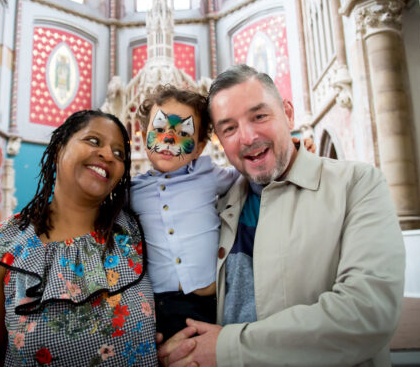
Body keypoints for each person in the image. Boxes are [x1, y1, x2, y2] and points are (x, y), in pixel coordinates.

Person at [158, 65, 406, 367]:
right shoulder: (218, 203)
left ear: (288, 113)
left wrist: (227, 348)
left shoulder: (356, 185)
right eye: (229, 128)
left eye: (259, 116)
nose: (248, 137)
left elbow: (369, 313)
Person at [0, 110, 157, 366]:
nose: (107, 155)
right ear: (59, 149)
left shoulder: (135, 232)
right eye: (94, 141)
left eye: (119, 154)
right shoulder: (0, 247)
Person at [131, 85, 240, 339]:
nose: (168, 140)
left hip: (214, 302)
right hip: (163, 306)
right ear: (143, 135)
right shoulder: (132, 191)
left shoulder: (208, 174)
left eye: (183, 132)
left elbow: (245, 175)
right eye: (158, 129)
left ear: (200, 147)